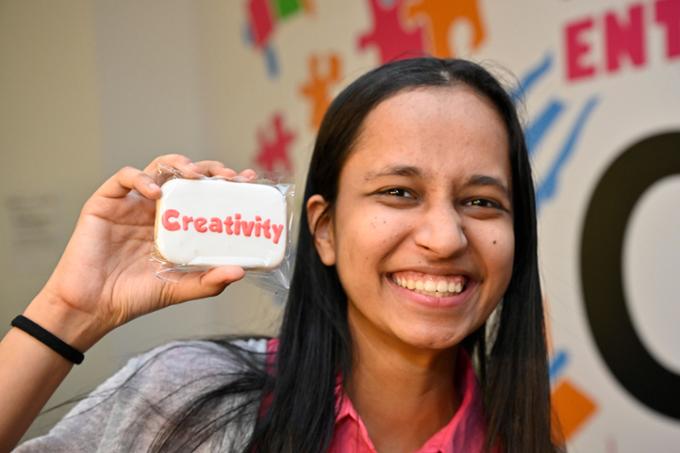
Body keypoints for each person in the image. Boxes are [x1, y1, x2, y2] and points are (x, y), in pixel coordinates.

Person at [1, 58, 562, 453]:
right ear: (324, 230)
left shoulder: (524, 436)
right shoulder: (185, 400)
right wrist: (70, 310)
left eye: (481, 201)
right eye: (399, 192)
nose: (445, 238)